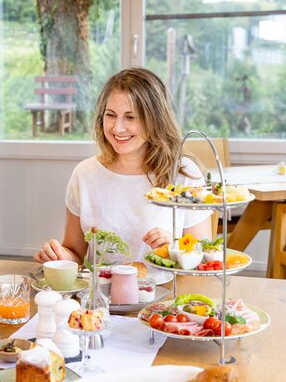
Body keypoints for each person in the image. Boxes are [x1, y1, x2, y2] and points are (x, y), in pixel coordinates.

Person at [35, 67, 212, 265]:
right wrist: (58, 255)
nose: (117, 128)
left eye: (130, 117)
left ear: (154, 120)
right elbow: (75, 254)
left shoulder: (184, 174)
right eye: (110, 115)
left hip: (168, 293)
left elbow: (205, 259)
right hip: (102, 294)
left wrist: (176, 247)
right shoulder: (85, 174)